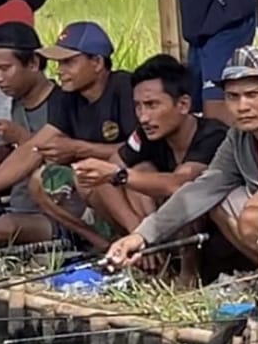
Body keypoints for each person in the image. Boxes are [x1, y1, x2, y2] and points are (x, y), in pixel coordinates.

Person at [106, 47, 258, 273]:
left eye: (252, 95)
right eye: (233, 97)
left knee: (254, 213)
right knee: (220, 199)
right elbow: (203, 188)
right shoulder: (239, 137)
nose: (242, 106)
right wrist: (142, 235)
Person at [71, 55, 228, 282]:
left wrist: (118, 175)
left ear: (183, 104)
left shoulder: (213, 135)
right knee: (134, 173)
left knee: (179, 192)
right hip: (159, 231)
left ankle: (188, 275)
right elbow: (109, 172)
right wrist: (138, 233)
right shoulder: (146, 134)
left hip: (213, 243)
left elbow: (180, 184)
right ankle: (154, 262)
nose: (143, 117)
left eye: (152, 105)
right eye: (138, 106)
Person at [0, 21, 135, 250]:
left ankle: (140, 240)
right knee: (46, 180)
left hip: (131, 186)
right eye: (58, 63)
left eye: (68, 62)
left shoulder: (125, 87)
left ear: (97, 62)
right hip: (94, 192)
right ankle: (105, 247)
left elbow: (141, 150)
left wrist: (78, 149)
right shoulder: (68, 98)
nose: (60, 71)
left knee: (91, 177)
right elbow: (35, 148)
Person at [0, 22, 63, 244]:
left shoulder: (62, 104)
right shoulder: (14, 103)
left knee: (1, 229)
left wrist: (21, 138)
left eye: (4, 68)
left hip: (55, 215)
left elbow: (47, 156)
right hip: (18, 206)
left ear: (33, 63)